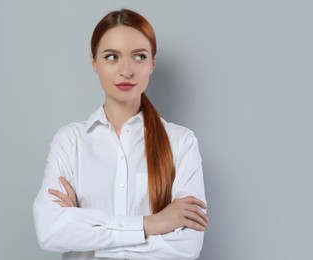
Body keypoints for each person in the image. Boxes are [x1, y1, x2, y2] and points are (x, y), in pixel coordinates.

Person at [33, 8, 208, 260]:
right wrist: (151, 224)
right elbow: (49, 231)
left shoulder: (181, 142)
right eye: (112, 57)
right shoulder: (70, 141)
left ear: (152, 63)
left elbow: (185, 247)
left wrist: (82, 225)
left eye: (138, 56)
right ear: (94, 62)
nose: (126, 71)